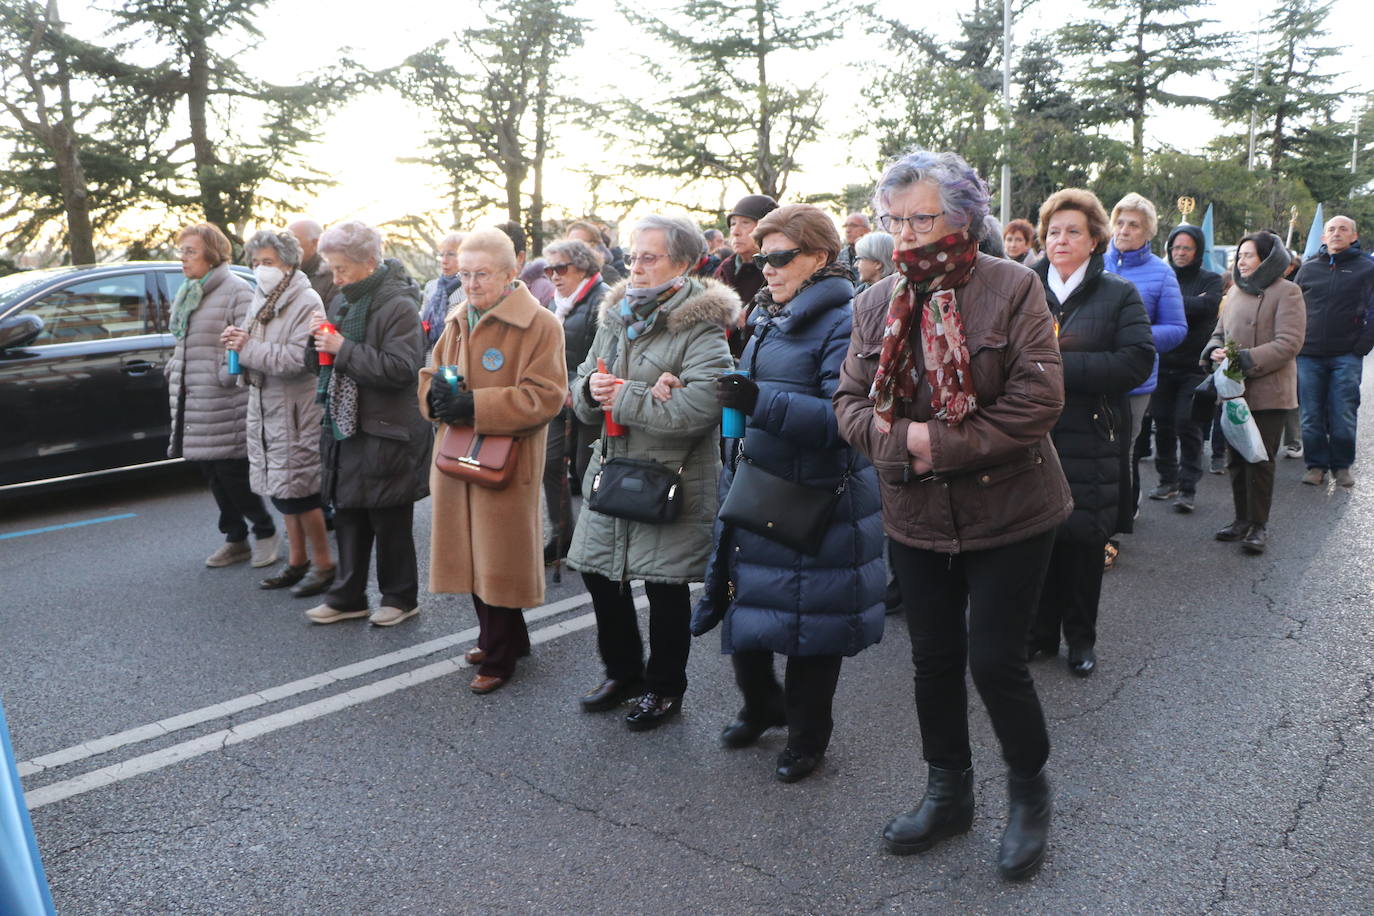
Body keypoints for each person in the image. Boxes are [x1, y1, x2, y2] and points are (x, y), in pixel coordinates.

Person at [833, 151, 1073, 881]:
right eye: (894, 219)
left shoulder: (1014, 286)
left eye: (922, 218)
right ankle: (949, 793)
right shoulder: (875, 301)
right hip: (915, 511)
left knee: (996, 661)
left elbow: (1038, 400)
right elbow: (848, 403)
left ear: (964, 217)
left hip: (1011, 508)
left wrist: (934, 440)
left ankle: (1029, 796)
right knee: (932, 659)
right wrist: (901, 442)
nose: (905, 233)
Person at [691, 204, 884, 783]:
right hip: (758, 483)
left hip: (817, 495)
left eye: (779, 257)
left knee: (810, 625)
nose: (766, 267)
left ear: (819, 258)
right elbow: (753, 397)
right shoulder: (773, 312)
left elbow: (844, 419)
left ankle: (807, 738)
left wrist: (756, 402)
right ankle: (761, 705)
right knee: (749, 604)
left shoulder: (844, 321)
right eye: (761, 256)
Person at [567, 214, 739, 731]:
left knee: (665, 589)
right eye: (632, 256)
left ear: (682, 264)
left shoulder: (702, 324)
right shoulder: (617, 314)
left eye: (650, 257)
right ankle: (623, 673)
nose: (635, 267)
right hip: (615, 466)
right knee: (601, 576)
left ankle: (665, 688)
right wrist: (590, 393)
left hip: (673, 476)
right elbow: (584, 378)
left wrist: (627, 394)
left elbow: (702, 408)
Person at [419, 229, 567, 693]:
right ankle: (501, 638)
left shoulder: (541, 324)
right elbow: (431, 372)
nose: (471, 283)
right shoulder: (459, 317)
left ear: (511, 271)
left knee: (497, 560)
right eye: (464, 273)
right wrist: (436, 398)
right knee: (471, 556)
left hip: (506, 459)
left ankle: (501, 657)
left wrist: (476, 406)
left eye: (481, 274)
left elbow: (546, 396)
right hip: (457, 455)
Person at [1028, 189, 1154, 676]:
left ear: (1096, 239)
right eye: (1053, 231)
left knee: (1082, 541)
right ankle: (1038, 636)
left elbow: (1136, 360)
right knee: (1035, 541)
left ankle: (1081, 639)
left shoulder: (1118, 293)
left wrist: (1055, 368)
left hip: (1090, 432)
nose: (1061, 239)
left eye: (1073, 231)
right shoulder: (1022, 285)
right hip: (1029, 433)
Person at [304, 220, 432, 627]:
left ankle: (400, 597)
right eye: (332, 269)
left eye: (342, 269)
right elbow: (322, 365)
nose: (336, 278)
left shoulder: (399, 304)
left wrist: (343, 348)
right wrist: (316, 344)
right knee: (350, 516)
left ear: (370, 262)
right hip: (347, 426)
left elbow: (401, 368)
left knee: (389, 519)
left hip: (387, 428)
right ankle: (348, 596)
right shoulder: (345, 301)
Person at [220, 229, 334, 596]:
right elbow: (258, 346)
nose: (260, 269)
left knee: (302, 494)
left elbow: (297, 359)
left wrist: (249, 347)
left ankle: (323, 563)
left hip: (295, 410)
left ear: (288, 263)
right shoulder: (262, 296)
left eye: (267, 262)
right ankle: (297, 560)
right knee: (282, 492)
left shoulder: (306, 299)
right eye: (255, 262)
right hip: (267, 409)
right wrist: (239, 344)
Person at [167, 223, 279, 570]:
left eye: (191, 251)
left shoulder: (235, 291)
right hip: (194, 398)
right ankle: (235, 537)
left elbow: (248, 340)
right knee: (212, 474)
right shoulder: (190, 291)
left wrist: (226, 375)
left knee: (233, 473)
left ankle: (264, 531)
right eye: (181, 251)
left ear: (212, 255)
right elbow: (186, 342)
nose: (183, 259)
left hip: (223, 400)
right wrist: (174, 368)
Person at [1206, 231, 1306, 553]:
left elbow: (1288, 344)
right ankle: (1241, 520)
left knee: (1260, 459)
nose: (1241, 261)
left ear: (1268, 258)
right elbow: (1219, 333)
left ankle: (1259, 525)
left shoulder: (1287, 292)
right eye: (1239, 255)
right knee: (1236, 457)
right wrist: (1214, 352)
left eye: (1248, 255)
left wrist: (1242, 359)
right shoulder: (1235, 291)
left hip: (1269, 392)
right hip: (1234, 391)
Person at [1103, 193, 1186, 532]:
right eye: (1120, 222)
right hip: (1088, 373)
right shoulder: (1094, 262)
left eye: (1133, 224)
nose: (1124, 230)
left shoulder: (1162, 273)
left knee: (1122, 450)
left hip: (1133, 381)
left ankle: (1118, 518)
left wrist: (1134, 337)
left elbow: (1177, 329)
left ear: (1148, 232)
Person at [541, 238, 610, 563]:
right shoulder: (560, 302)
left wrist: (577, 387)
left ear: (582, 266)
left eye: (560, 268)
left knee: (587, 470)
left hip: (590, 400)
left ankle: (592, 540)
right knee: (549, 461)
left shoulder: (602, 299)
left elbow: (606, 355)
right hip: (559, 395)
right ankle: (561, 536)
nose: (553, 275)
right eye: (549, 269)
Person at [1294, 216, 1374, 487]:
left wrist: (1362, 346)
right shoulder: (1307, 269)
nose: (1337, 233)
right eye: (1331, 229)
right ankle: (1315, 466)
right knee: (1311, 413)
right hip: (1308, 353)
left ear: (1354, 236)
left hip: (1346, 354)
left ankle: (1342, 466)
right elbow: (1294, 309)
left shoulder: (1367, 268)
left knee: (1343, 411)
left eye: (1343, 229)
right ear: (1323, 237)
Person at [1148, 224, 1223, 512]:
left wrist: (1169, 304)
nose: (1180, 253)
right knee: (1163, 423)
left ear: (1197, 252)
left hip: (1195, 366)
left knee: (1186, 423)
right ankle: (1167, 479)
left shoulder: (1211, 279)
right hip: (1163, 363)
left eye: (1186, 248)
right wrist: (1188, 304)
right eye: (1176, 247)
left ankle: (1188, 486)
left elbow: (1208, 308)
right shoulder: (1162, 276)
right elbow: (1155, 309)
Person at [716, 193, 778, 357]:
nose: (735, 231)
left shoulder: (779, 270)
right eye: (733, 224)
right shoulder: (724, 269)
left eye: (745, 223)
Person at [420, 232, 466, 350]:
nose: (444, 260)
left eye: (451, 254)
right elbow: (421, 320)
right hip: (428, 357)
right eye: (442, 255)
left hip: (453, 359)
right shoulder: (431, 287)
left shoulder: (469, 288)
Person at [288, 219, 337, 308]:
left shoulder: (332, 277)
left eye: (294, 241)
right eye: (287, 241)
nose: (288, 246)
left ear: (315, 243)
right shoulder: (285, 274)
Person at [853, 230, 895, 295]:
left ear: (878, 263)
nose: (855, 265)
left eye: (859, 259)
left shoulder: (898, 296)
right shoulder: (860, 293)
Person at [837, 212, 872, 278]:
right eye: (846, 226)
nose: (848, 230)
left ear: (867, 230)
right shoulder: (839, 257)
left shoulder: (875, 255)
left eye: (853, 226)